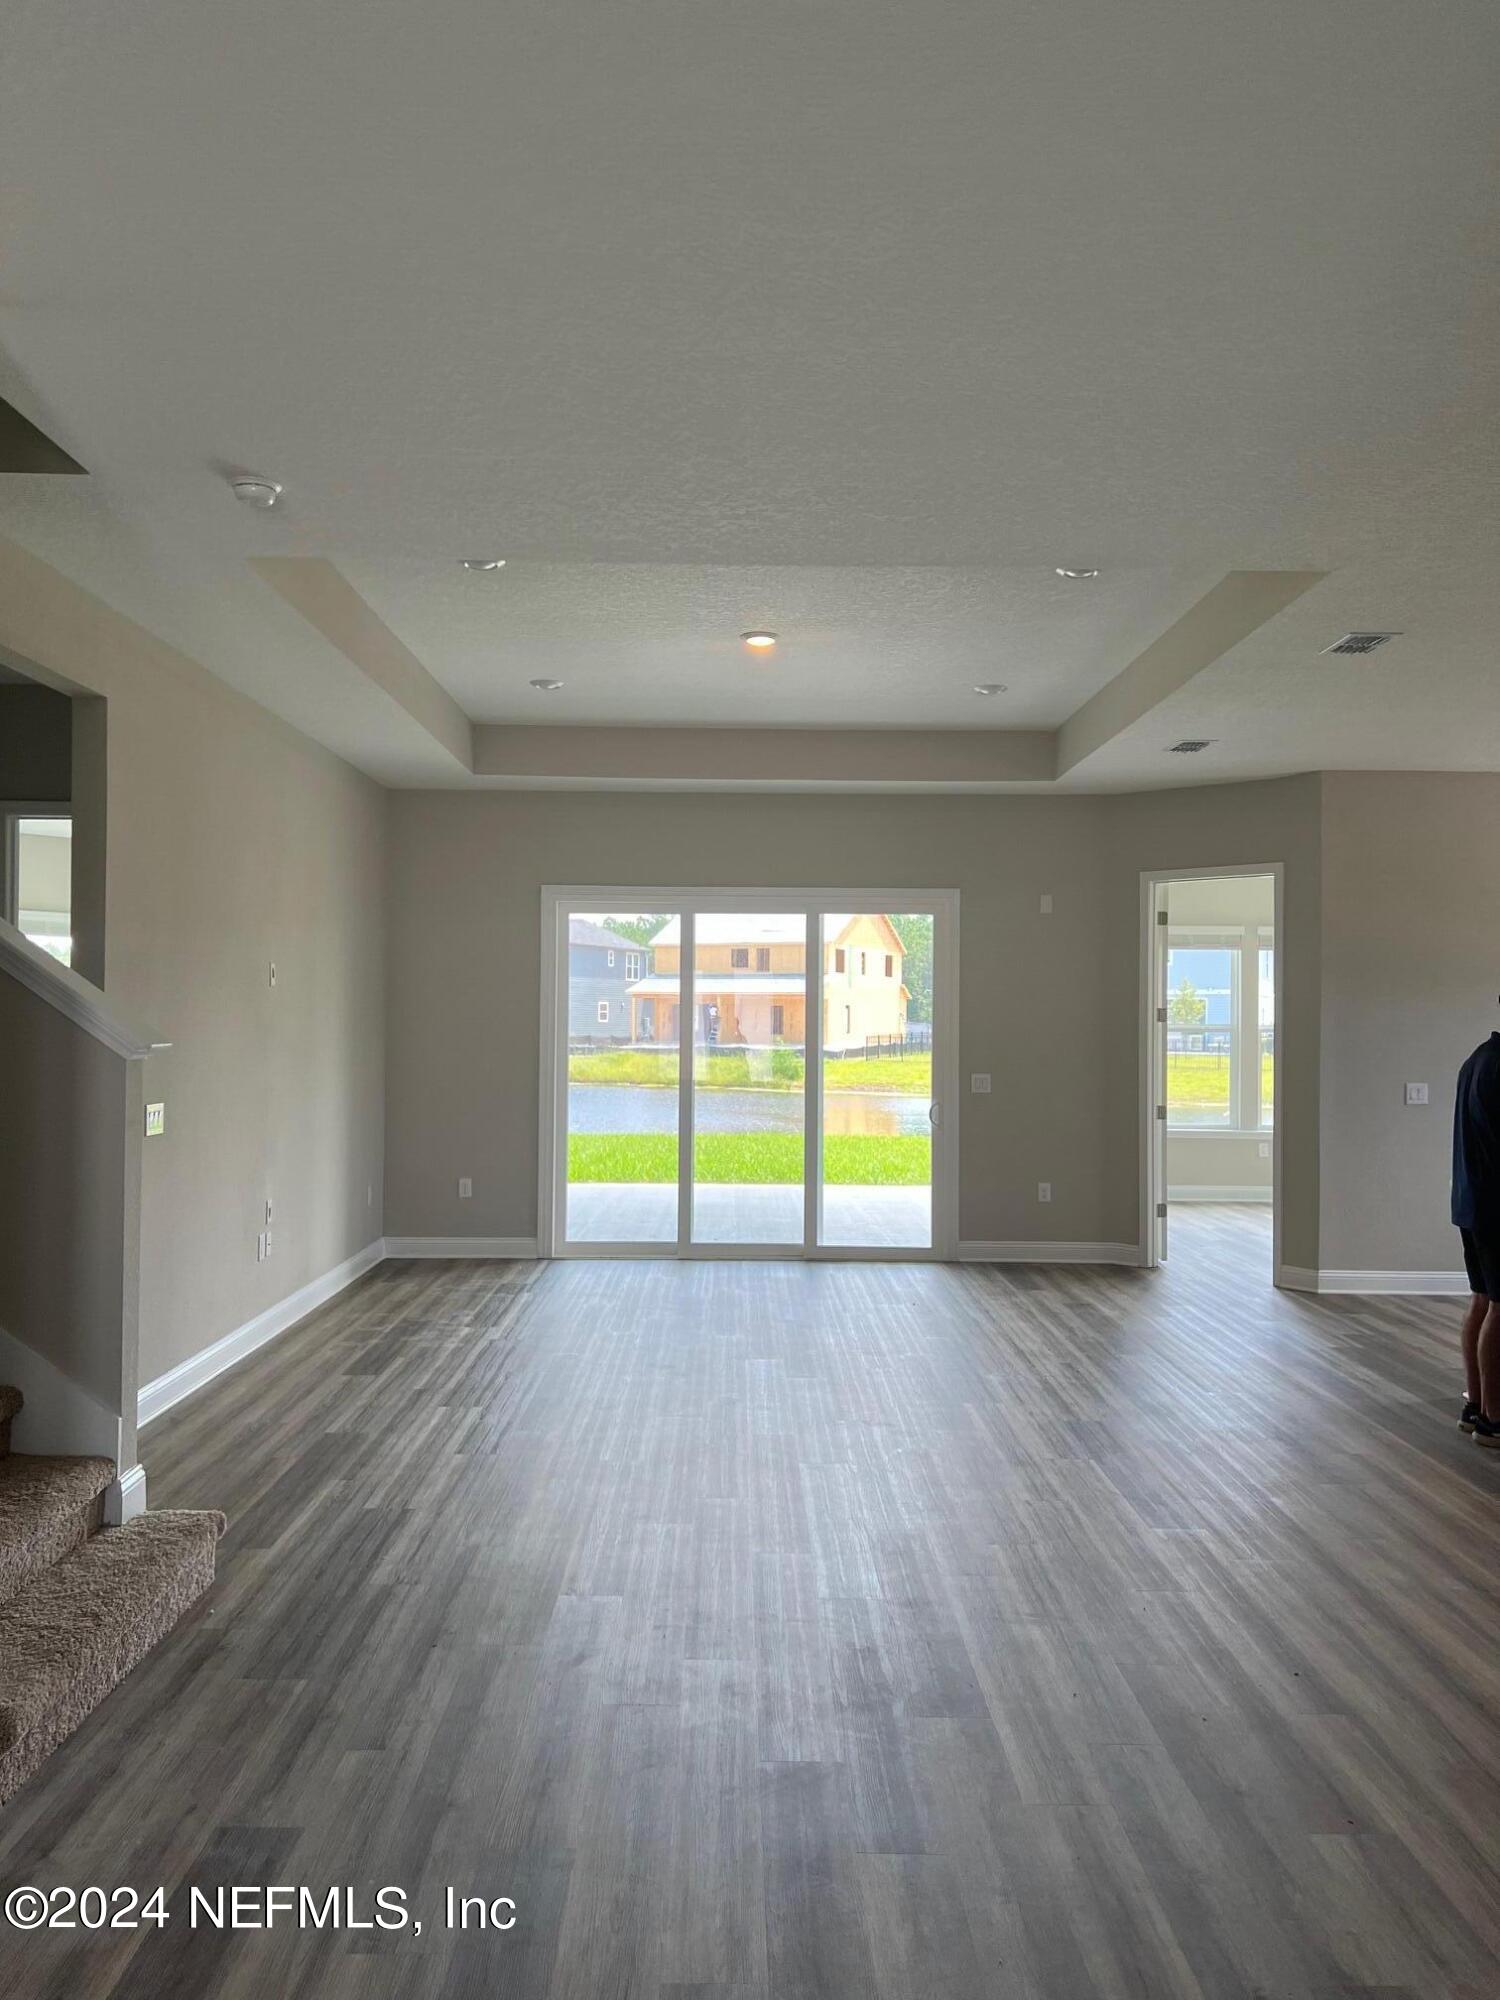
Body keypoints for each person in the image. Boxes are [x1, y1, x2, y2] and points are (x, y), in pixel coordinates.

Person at [1453, 1012, 1500, 1447]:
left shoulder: (1477, 1060)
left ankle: (1477, 1405)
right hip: (1497, 1208)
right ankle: (1493, 1420)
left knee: (1483, 1300)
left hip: (1472, 1205)